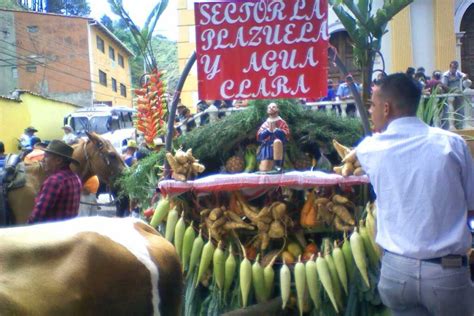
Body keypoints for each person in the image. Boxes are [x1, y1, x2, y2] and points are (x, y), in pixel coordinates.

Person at [355, 73, 473, 315]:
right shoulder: (453, 144)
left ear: (386, 108)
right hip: (447, 274)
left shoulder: (369, 149)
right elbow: (471, 207)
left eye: (373, 105)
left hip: (397, 273)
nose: (370, 111)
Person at [28, 140, 82, 224]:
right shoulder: (76, 178)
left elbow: (38, 215)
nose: (43, 160)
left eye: (46, 156)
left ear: (58, 161)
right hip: (68, 232)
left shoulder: (54, 181)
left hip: (52, 234)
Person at [256, 102, 290, 172]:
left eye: (273, 107)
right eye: (269, 107)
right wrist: (268, 130)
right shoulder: (265, 124)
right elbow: (259, 136)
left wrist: (276, 130)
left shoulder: (282, 123)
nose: (271, 108)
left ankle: (278, 165)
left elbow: (286, 135)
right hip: (267, 146)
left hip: (278, 146)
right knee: (264, 168)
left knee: (277, 142)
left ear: (277, 109)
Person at [441, 60, 468, 130]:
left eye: (456, 68)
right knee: (449, 112)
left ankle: (460, 126)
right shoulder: (446, 75)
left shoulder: (458, 73)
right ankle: (447, 127)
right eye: (453, 68)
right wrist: (452, 90)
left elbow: (465, 75)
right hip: (449, 97)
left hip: (458, 96)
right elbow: (443, 86)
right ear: (450, 67)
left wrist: (465, 77)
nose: (454, 69)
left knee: (460, 111)